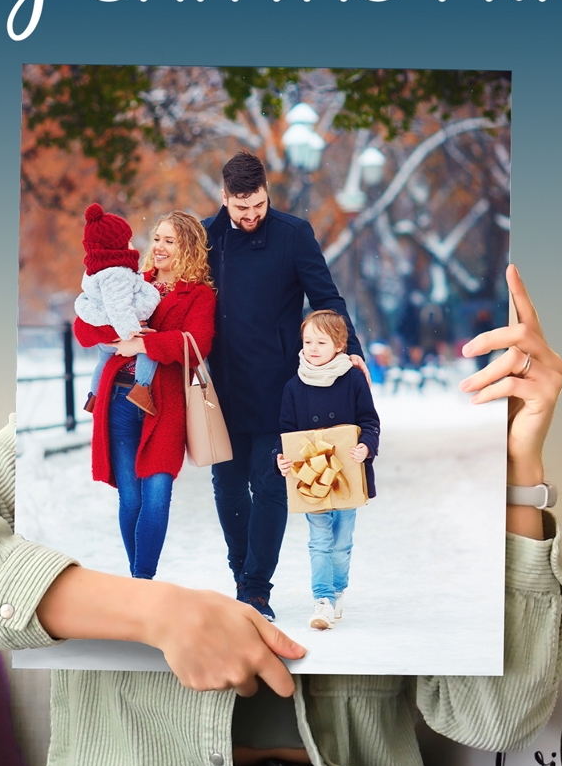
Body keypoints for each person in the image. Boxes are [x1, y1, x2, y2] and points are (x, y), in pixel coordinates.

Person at [0, 265, 562, 766]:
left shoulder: (335, 428)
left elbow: (494, 715)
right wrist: (154, 611)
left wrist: (520, 468)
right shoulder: (99, 425)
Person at [205, 150, 364, 621]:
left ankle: (256, 590)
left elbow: (326, 295)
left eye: (258, 206)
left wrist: (348, 346)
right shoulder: (207, 237)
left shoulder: (294, 234)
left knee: (271, 483)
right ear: (225, 197)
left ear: (266, 192)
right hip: (221, 387)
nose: (251, 217)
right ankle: (241, 575)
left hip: (278, 384)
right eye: (241, 209)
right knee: (228, 486)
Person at [72, 210, 216, 579]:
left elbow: (197, 345)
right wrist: (113, 336)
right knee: (130, 496)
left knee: (157, 493)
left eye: (171, 240)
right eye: (157, 239)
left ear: (188, 247)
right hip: (119, 399)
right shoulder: (130, 279)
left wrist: (142, 344)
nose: (160, 247)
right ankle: (140, 584)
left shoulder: (198, 295)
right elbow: (83, 330)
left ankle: (142, 581)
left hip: (165, 406)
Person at [276, 309, 380, 630]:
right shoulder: (294, 386)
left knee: (342, 541)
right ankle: (322, 599)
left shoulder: (352, 380)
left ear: (339, 345)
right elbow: (287, 431)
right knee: (319, 539)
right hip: (312, 476)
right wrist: (280, 457)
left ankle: (337, 589)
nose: (312, 347)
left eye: (321, 341)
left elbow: (369, 421)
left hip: (348, 471)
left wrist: (366, 446)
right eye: (308, 341)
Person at [75, 202, 162, 417]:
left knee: (103, 361)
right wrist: (131, 332)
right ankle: (142, 388)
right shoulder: (117, 273)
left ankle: (94, 396)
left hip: (107, 331)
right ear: (115, 247)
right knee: (148, 351)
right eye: (127, 241)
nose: (132, 245)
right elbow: (118, 306)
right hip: (124, 327)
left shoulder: (96, 270)